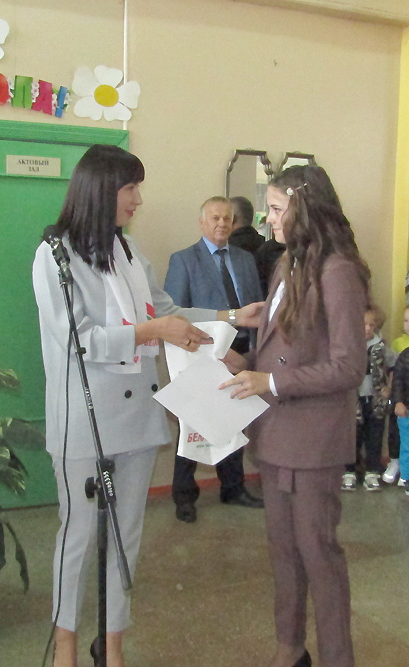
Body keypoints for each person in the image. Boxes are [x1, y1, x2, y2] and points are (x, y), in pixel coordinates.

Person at [32, 145, 263, 667]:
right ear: (101, 190)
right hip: (84, 419)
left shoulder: (130, 251)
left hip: (136, 416)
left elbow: (168, 311)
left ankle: (112, 645)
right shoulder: (55, 254)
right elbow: (77, 339)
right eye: (130, 188)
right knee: (78, 537)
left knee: (124, 539)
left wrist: (232, 317)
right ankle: (65, 646)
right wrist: (150, 331)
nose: (138, 199)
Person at [221, 164, 369, 667]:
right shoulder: (288, 264)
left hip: (313, 440)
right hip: (277, 435)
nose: (268, 218)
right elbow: (283, 348)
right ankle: (290, 648)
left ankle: (338, 658)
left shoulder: (337, 270)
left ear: (305, 208)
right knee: (283, 552)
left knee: (318, 554)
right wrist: (241, 361)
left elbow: (348, 366)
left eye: (277, 208)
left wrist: (272, 382)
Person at [163, 196, 264, 523]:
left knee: (231, 419)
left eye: (227, 218)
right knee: (193, 424)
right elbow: (176, 314)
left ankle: (233, 488)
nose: (222, 223)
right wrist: (217, 349)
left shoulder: (245, 260)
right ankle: (184, 495)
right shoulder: (183, 260)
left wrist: (250, 355)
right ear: (202, 222)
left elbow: (254, 309)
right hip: (201, 353)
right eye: (215, 218)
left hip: (241, 354)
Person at [342, 305, 387, 492]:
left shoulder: (381, 347)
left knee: (374, 436)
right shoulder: (349, 347)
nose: (368, 328)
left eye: (371, 325)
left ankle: (372, 472)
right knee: (353, 436)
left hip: (375, 400)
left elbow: (393, 367)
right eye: (364, 325)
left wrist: (388, 388)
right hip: (354, 401)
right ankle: (349, 471)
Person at [383, 306, 409, 484]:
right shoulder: (404, 354)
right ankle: (405, 476)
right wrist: (398, 401)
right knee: (406, 444)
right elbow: (398, 379)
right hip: (406, 407)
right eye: (406, 321)